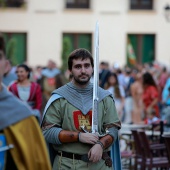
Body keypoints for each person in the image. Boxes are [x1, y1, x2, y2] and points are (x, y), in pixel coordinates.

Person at [41, 48, 121, 170]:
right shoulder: (59, 98)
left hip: (99, 165)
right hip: (66, 164)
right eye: (78, 67)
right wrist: (79, 136)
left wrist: (100, 145)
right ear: (70, 70)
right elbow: (48, 132)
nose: (83, 70)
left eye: (87, 66)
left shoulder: (104, 97)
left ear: (93, 68)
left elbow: (113, 128)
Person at [0, 34, 51, 170]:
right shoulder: (13, 86)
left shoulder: (26, 121)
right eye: (18, 72)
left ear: (6, 66)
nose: (20, 74)